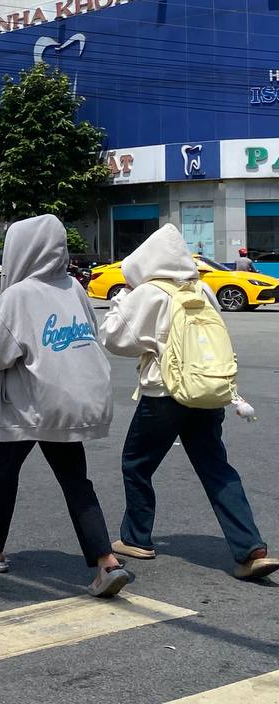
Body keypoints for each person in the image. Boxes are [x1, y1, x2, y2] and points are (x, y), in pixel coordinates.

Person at [0, 214, 133, 598]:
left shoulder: (18, 295)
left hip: (28, 406)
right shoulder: (73, 287)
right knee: (76, 481)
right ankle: (106, 562)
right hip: (69, 404)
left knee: (0, 472)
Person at [99, 224, 277, 581]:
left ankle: (137, 538)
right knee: (216, 467)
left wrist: (122, 299)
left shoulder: (149, 292)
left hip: (164, 394)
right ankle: (251, 549)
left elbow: (114, 338)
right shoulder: (202, 288)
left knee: (136, 463)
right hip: (207, 392)